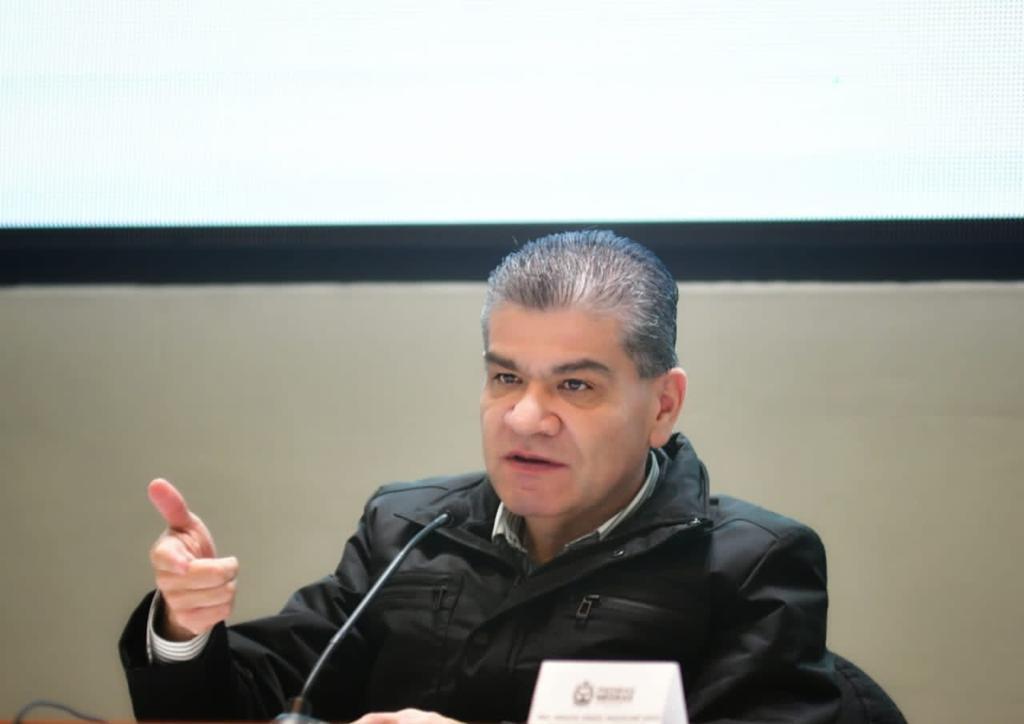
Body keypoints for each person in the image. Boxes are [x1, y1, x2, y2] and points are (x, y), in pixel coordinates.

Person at [119, 230, 841, 723]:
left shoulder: (747, 566)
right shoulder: (406, 530)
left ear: (663, 406)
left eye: (576, 386)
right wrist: (185, 626)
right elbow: (266, 699)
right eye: (506, 378)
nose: (525, 417)